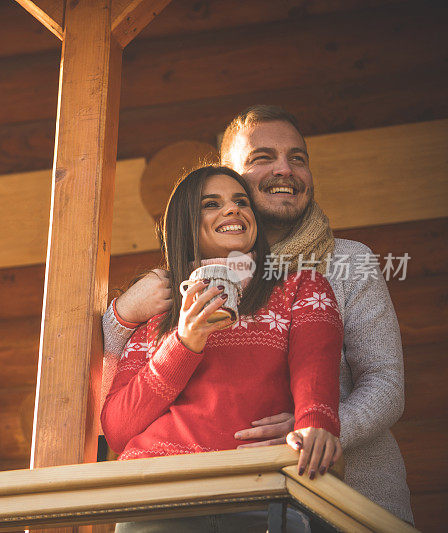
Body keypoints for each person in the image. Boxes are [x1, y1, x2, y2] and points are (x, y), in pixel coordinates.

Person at [102, 105, 413, 523]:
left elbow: (386, 382)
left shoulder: (345, 264)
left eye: (297, 158)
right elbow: (111, 402)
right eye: (262, 158)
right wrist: (122, 311)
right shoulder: (176, 286)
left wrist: (312, 430)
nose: (285, 169)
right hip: (195, 497)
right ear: (227, 174)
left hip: (348, 494)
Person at [102, 165, 342, 532]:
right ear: (184, 225)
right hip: (156, 495)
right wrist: (184, 342)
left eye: (241, 201)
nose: (232, 210)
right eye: (211, 204)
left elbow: (316, 369)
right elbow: (118, 429)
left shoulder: (301, 287)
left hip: (263, 489)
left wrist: (314, 425)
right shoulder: (159, 312)